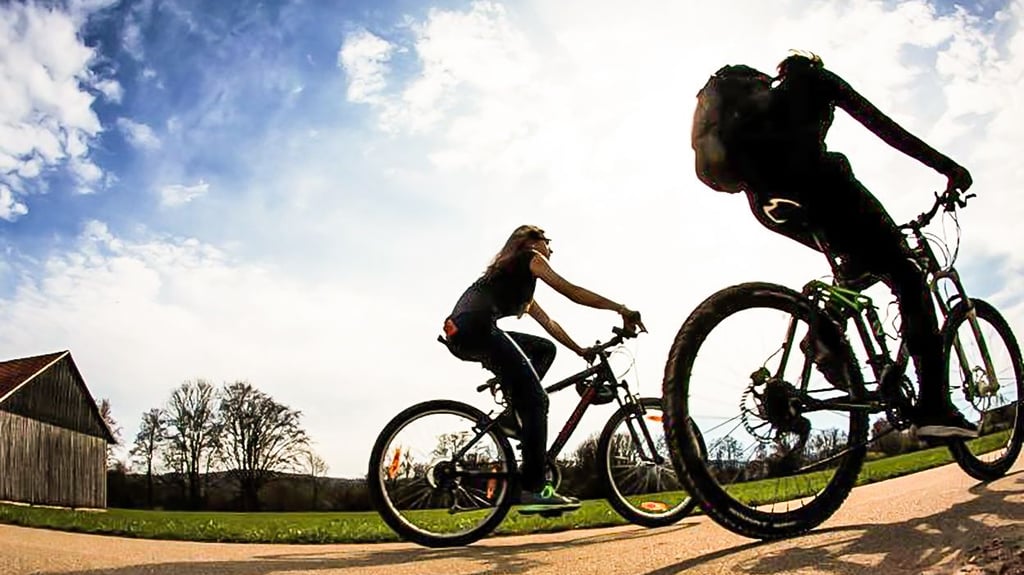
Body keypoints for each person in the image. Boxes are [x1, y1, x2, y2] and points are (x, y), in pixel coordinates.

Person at [723, 52, 977, 439]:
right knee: (906, 273)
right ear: (810, 62)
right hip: (821, 188)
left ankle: (823, 331)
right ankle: (934, 408)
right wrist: (947, 168)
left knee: (860, 262)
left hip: (768, 206)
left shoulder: (760, 109)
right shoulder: (816, 79)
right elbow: (884, 127)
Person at [440, 225, 646, 509]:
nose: (551, 249)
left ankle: (515, 411)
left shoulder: (516, 278)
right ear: (531, 241)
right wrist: (620, 308)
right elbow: (571, 291)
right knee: (537, 400)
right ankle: (534, 489)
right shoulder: (530, 257)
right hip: (477, 329)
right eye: (548, 242)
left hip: (463, 334)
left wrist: (580, 350)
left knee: (543, 350)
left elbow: (549, 324)